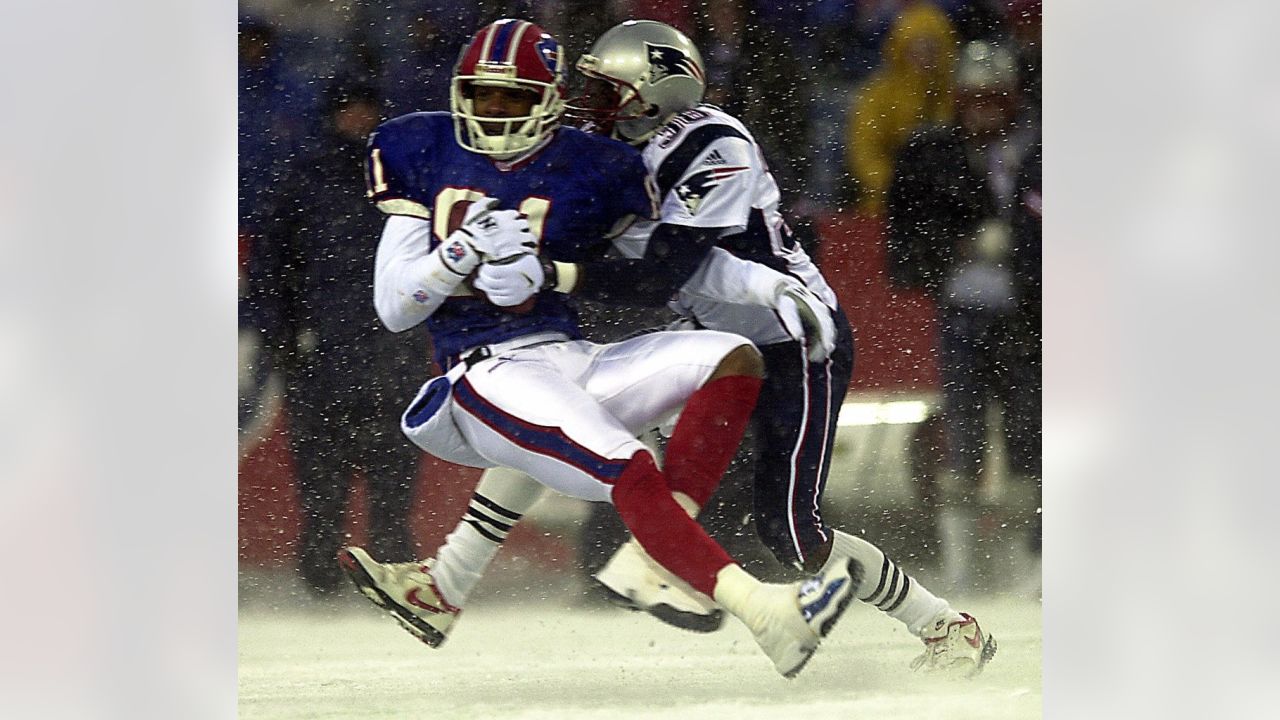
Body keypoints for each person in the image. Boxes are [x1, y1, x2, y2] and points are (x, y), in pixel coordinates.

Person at [421, 19, 996, 676]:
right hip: (710, 341)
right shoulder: (612, 148)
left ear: (655, 93)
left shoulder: (713, 142)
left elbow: (665, 270)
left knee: (791, 534)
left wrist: (551, 270)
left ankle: (945, 624)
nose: (590, 104)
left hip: (790, 341)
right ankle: (457, 577)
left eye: (607, 91)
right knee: (567, 408)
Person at [337, 18, 857, 678]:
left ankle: (449, 585)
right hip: (481, 371)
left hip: (563, 352)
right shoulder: (422, 148)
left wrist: (762, 282)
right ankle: (762, 611)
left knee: (732, 355)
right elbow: (393, 307)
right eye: (483, 95)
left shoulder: (590, 166)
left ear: (550, 98)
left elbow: (666, 261)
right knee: (626, 462)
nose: (495, 112)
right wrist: (459, 255)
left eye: (514, 97)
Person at [244, 75, 426, 597]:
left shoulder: (405, 180)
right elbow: (269, 267)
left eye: (366, 108)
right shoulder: (302, 180)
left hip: (391, 347)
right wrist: (280, 337)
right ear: (332, 115)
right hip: (321, 349)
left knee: (396, 464)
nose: (358, 119)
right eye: (348, 109)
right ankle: (321, 565)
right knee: (321, 471)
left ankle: (390, 565)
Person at [885, 39, 1040, 593]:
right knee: (965, 435)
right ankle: (962, 566)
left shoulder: (1036, 152)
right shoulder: (934, 153)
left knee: (1029, 436)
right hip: (964, 312)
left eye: (995, 100)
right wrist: (958, 246)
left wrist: (1023, 249)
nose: (985, 112)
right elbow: (904, 240)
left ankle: (1030, 563)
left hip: (1028, 314)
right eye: (975, 100)